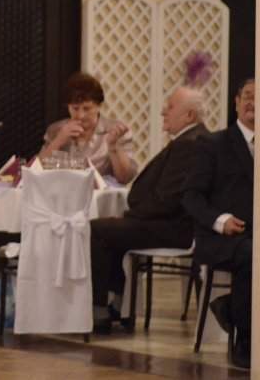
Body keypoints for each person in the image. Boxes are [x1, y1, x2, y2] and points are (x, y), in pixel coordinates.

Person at [89, 86, 209, 334]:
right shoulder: (192, 139)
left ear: (189, 115)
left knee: (98, 229)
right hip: (172, 223)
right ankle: (118, 304)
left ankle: (99, 309)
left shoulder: (191, 143)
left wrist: (131, 215)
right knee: (113, 228)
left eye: (170, 107)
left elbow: (167, 200)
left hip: (174, 228)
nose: (163, 111)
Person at [182, 78, 254, 369]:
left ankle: (231, 308)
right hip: (222, 238)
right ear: (236, 103)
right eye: (248, 96)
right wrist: (220, 221)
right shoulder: (212, 144)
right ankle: (247, 339)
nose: (253, 103)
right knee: (253, 256)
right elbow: (191, 196)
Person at [40, 72, 137, 184]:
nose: (81, 115)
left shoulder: (116, 131)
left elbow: (125, 178)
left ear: (99, 106)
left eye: (87, 109)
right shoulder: (56, 130)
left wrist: (113, 146)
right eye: (75, 108)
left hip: (101, 194)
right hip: (62, 192)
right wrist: (59, 140)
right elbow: (36, 169)